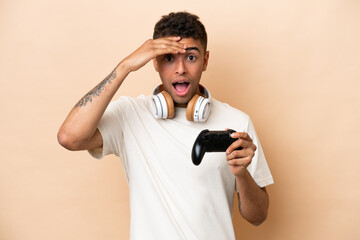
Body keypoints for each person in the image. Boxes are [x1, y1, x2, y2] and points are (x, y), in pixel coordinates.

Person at [57, 11, 274, 240]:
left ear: (206, 61)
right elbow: (69, 137)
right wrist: (125, 67)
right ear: (155, 62)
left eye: (191, 57)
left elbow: (258, 216)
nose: (180, 69)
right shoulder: (130, 115)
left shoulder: (237, 122)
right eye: (169, 58)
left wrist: (241, 174)